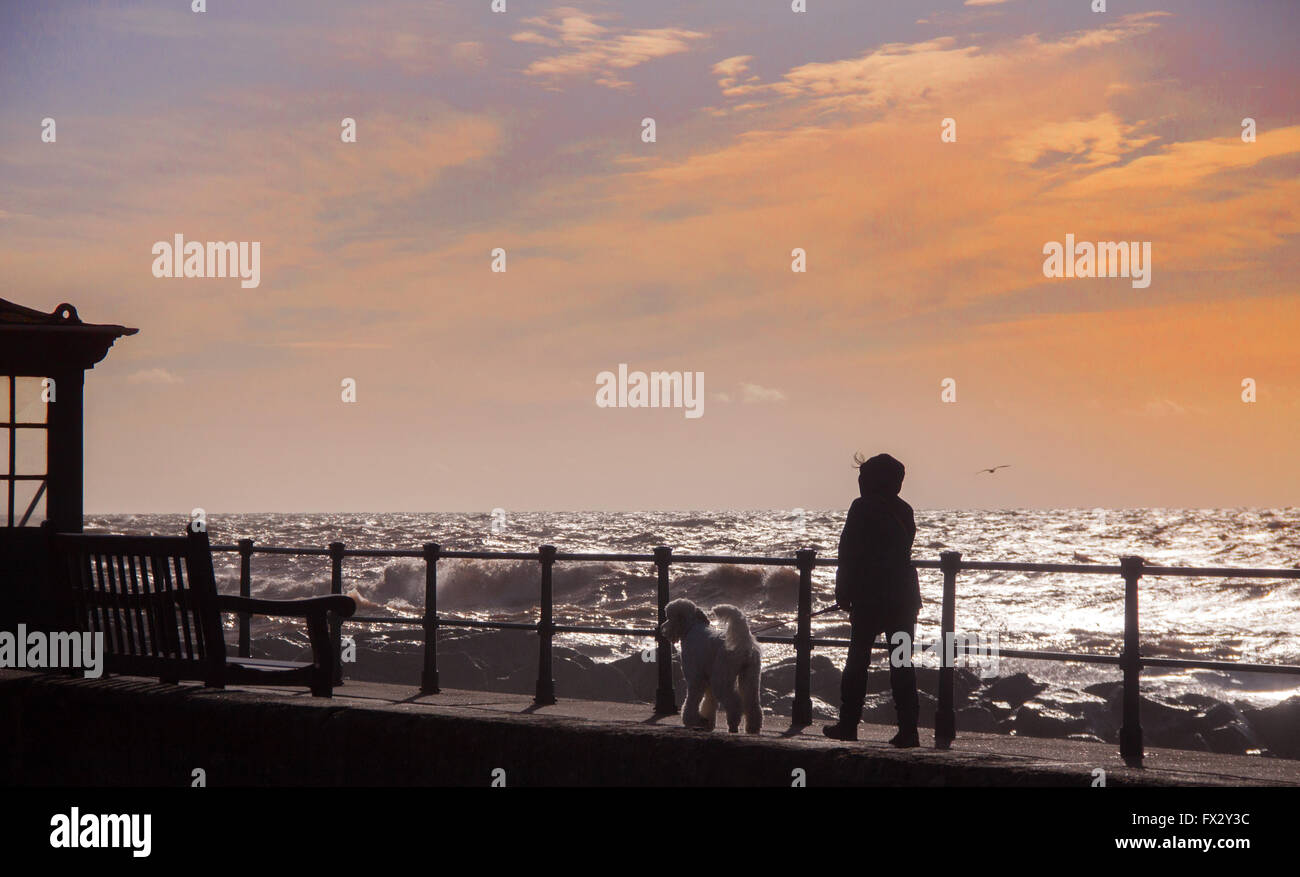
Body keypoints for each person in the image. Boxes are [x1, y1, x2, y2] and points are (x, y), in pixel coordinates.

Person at [823, 452, 922, 747]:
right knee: (902, 662)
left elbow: (848, 551)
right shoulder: (905, 510)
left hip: (870, 599)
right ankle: (908, 731)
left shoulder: (861, 507)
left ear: (871, 481)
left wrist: (843, 591)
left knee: (857, 662)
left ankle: (849, 724)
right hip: (903, 598)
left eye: (863, 477)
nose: (859, 482)